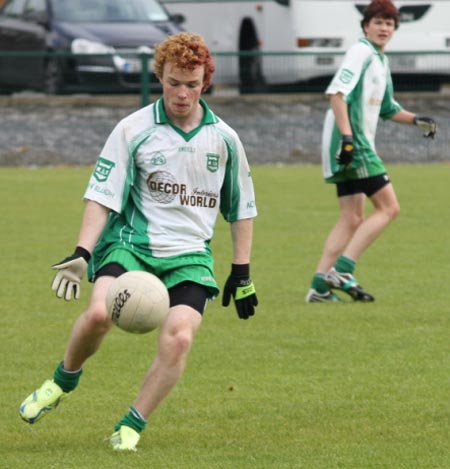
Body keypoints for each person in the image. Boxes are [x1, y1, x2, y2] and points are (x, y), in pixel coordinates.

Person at [19, 32, 258, 451]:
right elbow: (102, 194)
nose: (182, 93)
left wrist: (242, 272)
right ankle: (62, 381)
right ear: (159, 77)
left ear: (206, 82)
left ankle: (131, 424)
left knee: (181, 337)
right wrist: (82, 253)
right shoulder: (133, 129)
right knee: (98, 315)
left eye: (192, 83)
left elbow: (241, 208)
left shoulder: (224, 140)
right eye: (173, 82)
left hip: (190, 256)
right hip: (131, 246)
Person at [306, 0, 436, 303]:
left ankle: (319, 287)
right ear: (366, 26)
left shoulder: (379, 60)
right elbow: (336, 94)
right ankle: (342, 271)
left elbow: (389, 109)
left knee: (351, 217)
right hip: (353, 143)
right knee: (390, 208)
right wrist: (349, 140)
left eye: (389, 24)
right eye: (378, 22)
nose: (384, 28)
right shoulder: (361, 52)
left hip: (351, 142)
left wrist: (416, 120)